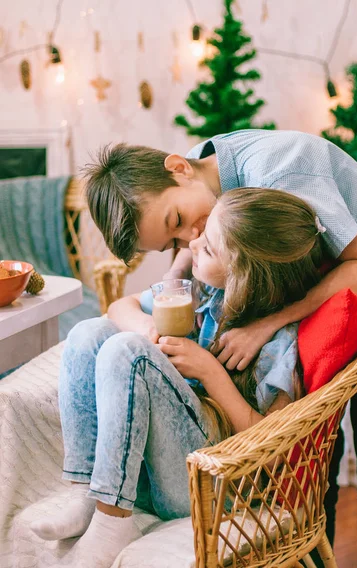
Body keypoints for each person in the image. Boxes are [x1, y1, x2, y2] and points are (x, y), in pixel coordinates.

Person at [83, 129, 357, 568]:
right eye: (173, 242)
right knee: (318, 463)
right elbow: (188, 254)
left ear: (179, 168)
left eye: (179, 224)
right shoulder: (195, 178)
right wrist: (169, 300)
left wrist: (265, 326)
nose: (189, 241)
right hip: (287, 307)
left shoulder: (283, 169)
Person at [31, 188, 330, 568]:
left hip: (208, 487)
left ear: (243, 276)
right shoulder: (204, 295)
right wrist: (144, 325)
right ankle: (85, 493)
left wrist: (210, 371)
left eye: (207, 249)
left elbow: (275, 447)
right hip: (152, 469)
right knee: (89, 333)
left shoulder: (276, 344)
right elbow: (119, 307)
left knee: (127, 352)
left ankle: (111, 524)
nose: (194, 241)